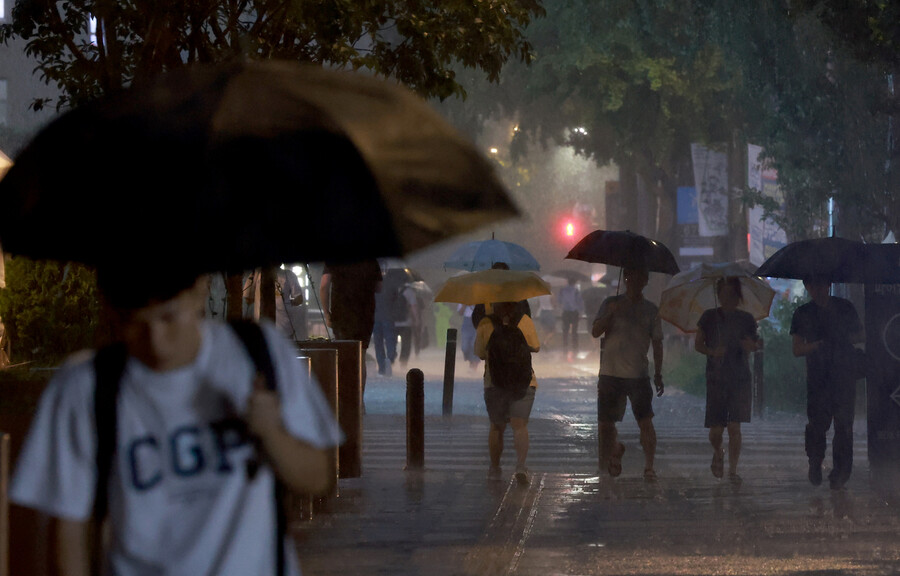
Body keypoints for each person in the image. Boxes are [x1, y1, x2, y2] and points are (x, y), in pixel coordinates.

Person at [9, 267, 343, 576]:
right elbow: (68, 527)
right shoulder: (86, 386)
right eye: (135, 322)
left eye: (168, 317)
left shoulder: (257, 353)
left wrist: (272, 433)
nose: (155, 340)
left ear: (198, 292)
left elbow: (317, 477)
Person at [790, 276, 864, 490]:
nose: (818, 289)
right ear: (807, 287)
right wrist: (816, 346)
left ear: (829, 284)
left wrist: (844, 339)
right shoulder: (802, 314)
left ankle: (841, 473)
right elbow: (797, 349)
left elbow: (861, 335)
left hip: (844, 376)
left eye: (822, 284)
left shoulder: (845, 307)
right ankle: (815, 461)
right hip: (818, 379)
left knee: (844, 426)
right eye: (813, 285)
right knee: (817, 426)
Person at [591, 267, 664, 481]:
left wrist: (658, 373)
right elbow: (595, 331)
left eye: (640, 277)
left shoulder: (651, 310)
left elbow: (657, 343)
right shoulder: (610, 303)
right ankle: (613, 450)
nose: (634, 281)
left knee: (645, 421)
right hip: (610, 372)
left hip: (639, 374)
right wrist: (610, 314)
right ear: (625, 278)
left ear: (645, 281)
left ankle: (649, 466)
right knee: (605, 423)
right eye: (631, 277)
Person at [694, 276, 763, 484]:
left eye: (732, 295)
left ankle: (733, 471)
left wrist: (751, 345)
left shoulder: (746, 319)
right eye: (724, 294)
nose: (728, 298)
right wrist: (713, 351)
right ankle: (718, 452)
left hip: (740, 377)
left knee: (734, 427)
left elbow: (757, 343)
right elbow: (698, 344)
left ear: (738, 296)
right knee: (716, 431)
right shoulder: (709, 318)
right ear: (719, 295)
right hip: (716, 378)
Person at [474, 300, 540, 484]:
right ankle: (520, 466)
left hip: (494, 383)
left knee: (496, 426)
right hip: (523, 381)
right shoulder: (524, 321)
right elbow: (535, 346)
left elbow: (479, 353)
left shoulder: (486, 323)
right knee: (519, 425)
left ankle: (495, 469)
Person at [319, 259, 382, 394]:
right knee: (361, 356)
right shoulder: (371, 259)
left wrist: (326, 313)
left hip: (341, 315)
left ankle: (345, 398)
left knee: (343, 355)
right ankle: (359, 400)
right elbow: (379, 287)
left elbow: (324, 285)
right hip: (365, 314)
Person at [244, 267, 306, 341]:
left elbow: (299, 299)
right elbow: (248, 299)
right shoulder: (255, 275)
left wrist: (286, 303)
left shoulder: (288, 275)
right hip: (267, 329)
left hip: (282, 328)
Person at [558, 277, 585, 362]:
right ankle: (575, 347)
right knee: (574, 331)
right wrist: (581, 312)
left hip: (565, 312)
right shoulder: (576, 291)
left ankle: (565, 346)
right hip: (574, 312)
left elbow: (559, 301)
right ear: (574, 282)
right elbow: (580, 302)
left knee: (565, 331)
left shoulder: (562, 290)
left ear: (568, 282)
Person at [394, 282, 420, 368]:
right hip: (406, 323)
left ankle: (391, 359)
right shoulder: (409, 291)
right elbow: (414, 307)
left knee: (391, 342)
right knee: (406, 344)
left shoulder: (390, 289)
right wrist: (416, 319)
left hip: (392, 322)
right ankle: (403, 363)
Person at [458, 304, 481, 371]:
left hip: (478, 321)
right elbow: (460, 312)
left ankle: (474, 365)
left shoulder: (481, 298)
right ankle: (471, 361)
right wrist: (465, 305)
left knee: (474, 344)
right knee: (465, 347)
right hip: (467, 322)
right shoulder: (465, 297)